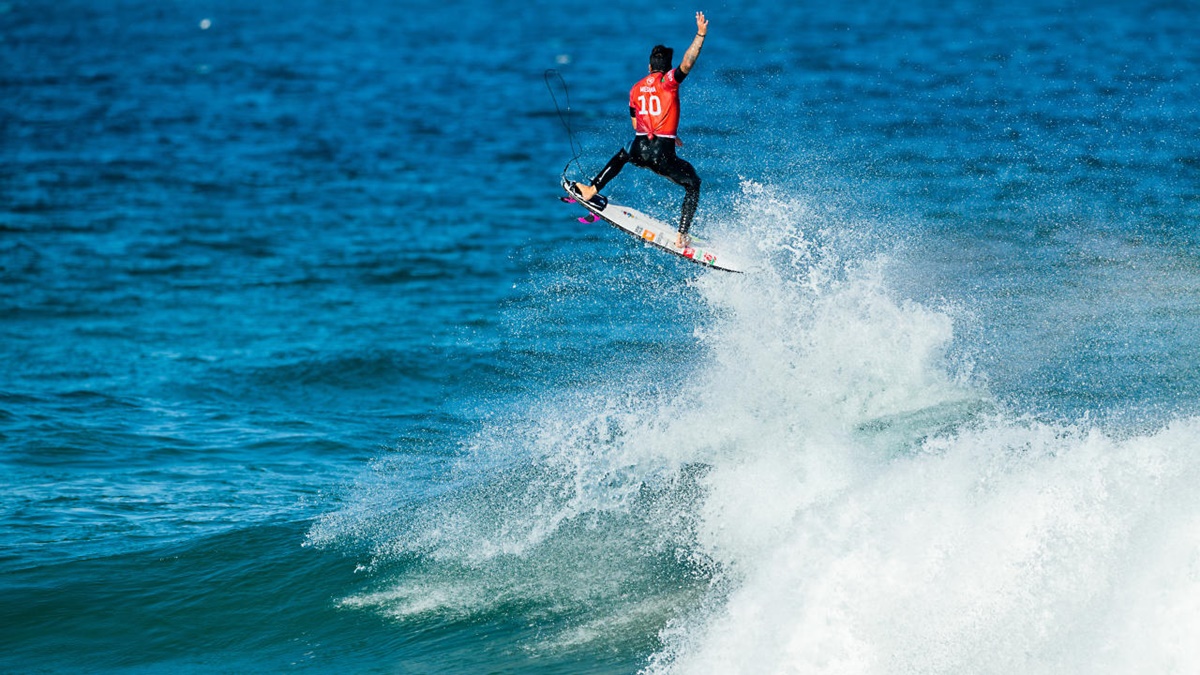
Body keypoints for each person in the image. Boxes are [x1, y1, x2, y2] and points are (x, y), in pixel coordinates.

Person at [573, 12, 708, 249]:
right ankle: (682, 235)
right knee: (693, 183)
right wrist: (700, 35)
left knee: (624, 153)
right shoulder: (668, 82)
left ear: (648, 67)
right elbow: (687, 63)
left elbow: (638, 125)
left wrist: (666, 129)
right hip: (661, 154)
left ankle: (591, 188)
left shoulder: (635, 89)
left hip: (638, 148)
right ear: (666, 69)